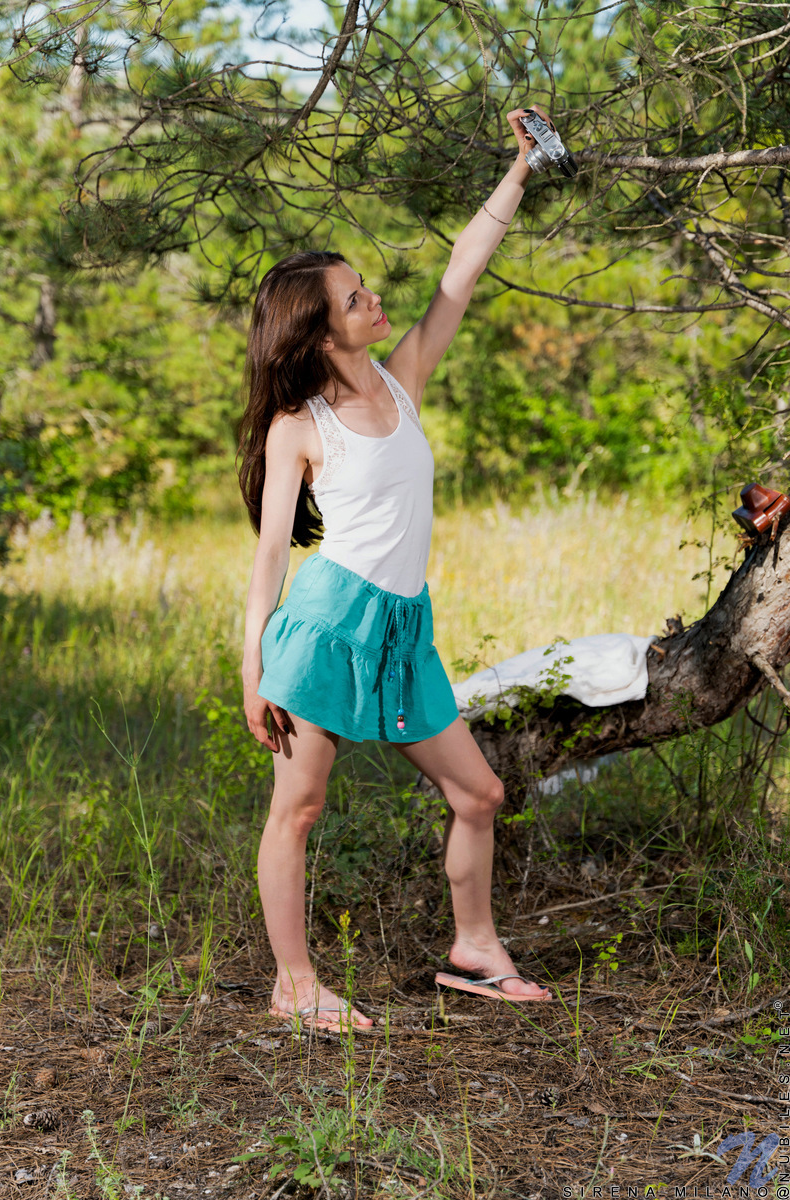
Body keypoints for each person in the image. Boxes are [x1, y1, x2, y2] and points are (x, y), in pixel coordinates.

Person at [239, 106, 555, 1030]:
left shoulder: (401, 380)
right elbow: (269, 557)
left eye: (365, 287)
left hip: (403, 629)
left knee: (479, 792)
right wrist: (252, 669)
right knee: (298, 810)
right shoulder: (300, 427)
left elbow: (462, 272)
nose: (373, 300)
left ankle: (475, 951)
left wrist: (520, 168)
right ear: (319, 335)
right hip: (327, 626)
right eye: (353, 300)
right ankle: (294, 987)